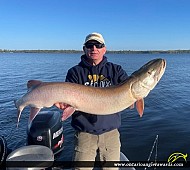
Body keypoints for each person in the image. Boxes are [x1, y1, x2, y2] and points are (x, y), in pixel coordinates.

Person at [55, 32, 128, 169]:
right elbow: (68, 103)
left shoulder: (116, 70)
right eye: (90, 45)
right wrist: (63, 105)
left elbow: (129, 95)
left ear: (104, 49)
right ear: (84, 49)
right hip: (84, 134)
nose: (94, 49)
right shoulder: (75, 72)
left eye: (98, 45)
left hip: (110, 133)